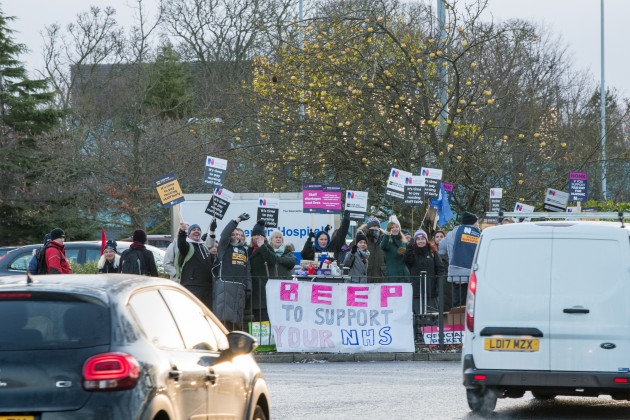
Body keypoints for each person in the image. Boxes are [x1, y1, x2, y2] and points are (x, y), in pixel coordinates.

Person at [214, 213, 252, 331]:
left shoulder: (244, 251)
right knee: (224, 320)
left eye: (240, 235)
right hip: (225, 286)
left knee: (236, 322)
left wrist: (248, 288)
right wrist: (237, 220)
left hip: (240, 287)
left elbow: (247, 271)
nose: (237, 236)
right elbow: (224, 235)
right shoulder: (224, 247)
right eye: (234, 234)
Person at [438, 211, 481, 307]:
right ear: (472, 223)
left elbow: (441, 249)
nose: (478, 224)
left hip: (455, 272)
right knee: (471, 301)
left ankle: (458, 320)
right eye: (476, 222)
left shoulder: (451, 234)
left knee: (457, 300)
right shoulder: (475, 233)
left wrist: (450, 257)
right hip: (471, 272)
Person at [404, 229, 445, 314]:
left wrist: (438, 285)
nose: (420, 241)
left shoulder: (432, 252)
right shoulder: (413, 253)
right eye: (418, 239)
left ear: (426, 240)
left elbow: (440, 269)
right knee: (417, 316)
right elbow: (406, 260)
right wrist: (409, 247)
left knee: (432, 315)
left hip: (431, 291)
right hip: (416, 291)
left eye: (422, 239)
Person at [177, 222, 215, 310]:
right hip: (192, 286)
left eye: (198, 230)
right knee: (193, 311)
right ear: (189, 234)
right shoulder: (187, 246)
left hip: (207, 286)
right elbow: (181, 244)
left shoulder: (203, 247)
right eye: (194, 230)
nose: (197, 231)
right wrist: (182, 231)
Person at [248, 219, 277, 322]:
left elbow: (273, 260)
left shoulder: (267, 247)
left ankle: (265, 339)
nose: (257, 237)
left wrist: (262, 247)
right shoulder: (249, 249)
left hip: (262, 291)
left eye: (259, 235)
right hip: (252, 289)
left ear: (264, 237)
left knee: (263, 317)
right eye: (255, 235)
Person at [355, 216, 386, 282]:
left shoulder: (383, 240)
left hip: (380, 277)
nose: (376, 228)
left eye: (378, 227)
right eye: (374, 226)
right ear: (368, 227)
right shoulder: (362, 239)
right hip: (366, 276)